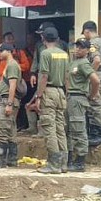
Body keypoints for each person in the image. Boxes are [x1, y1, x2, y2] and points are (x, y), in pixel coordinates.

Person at [29, 26, 69, 174]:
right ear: (57, 39)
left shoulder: (45, 53)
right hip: (60, 92)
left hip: (49, 92)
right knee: (60, 128)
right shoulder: (64, 54)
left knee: (49, 128)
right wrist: (66, 92)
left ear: (43, 39)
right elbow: (66, 76)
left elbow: (44, 76)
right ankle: (63, 163)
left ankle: (53, 164)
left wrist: (38, 96)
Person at [65, 38, 100, 172]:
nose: (78, 49)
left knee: (78, 129)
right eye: (77, 46)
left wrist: (91, 95)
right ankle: (69, 159)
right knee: (69, 129)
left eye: (81, 47)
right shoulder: (73, 62)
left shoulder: (84, 63)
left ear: (87, 50)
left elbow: (95, 81)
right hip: (71, 98)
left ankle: (79, 161)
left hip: (78, 98)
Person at [28, 22, 68, 134]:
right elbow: (36, 60)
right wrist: (32, 73)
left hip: (53, 81)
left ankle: (50, 136)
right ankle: (40, 130)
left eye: (42, 34)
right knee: (42, 108)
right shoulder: (39, 46)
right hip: (44, 80)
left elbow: (66, 68)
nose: (41, 37)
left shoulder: (62, 46)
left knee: (52, 113)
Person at [81, 21, 101, 146]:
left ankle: (100, 133)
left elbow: (97, 60)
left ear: (87, 31)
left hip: (94, 76)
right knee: (97, 103)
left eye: (85, 33)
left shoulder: (93, 43)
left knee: (94, 104)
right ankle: (98, 132)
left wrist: (90, 74)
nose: (84, 36)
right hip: (100, 75)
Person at [0, 42, 21, 168]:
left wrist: (9, 103)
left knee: (3, 130)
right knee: (11, 130)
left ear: (9, 51)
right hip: (8, 100)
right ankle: (12, 159)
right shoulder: (9, 65)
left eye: (1, 51)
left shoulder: (12, 66)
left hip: (7, 100)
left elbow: (13, 85)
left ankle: (1, 160)